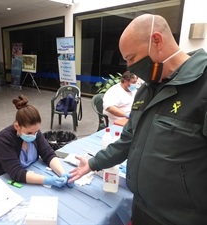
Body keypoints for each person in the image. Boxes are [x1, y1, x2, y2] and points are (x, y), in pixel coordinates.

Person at [69, 14, 207, 225]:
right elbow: (128, 140)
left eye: (132, 58)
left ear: (157, 41)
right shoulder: (145, 91)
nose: (130, 67)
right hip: (141, 208)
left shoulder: (202, 87)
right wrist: (94, 163)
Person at [0, 95, 73, 188]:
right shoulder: (4, 139)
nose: (34, 136)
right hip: (4, 182)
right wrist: (47, 180)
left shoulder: (34, 132)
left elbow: (48, 154)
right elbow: (16, 172)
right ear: (17, 126)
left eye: (36, 131)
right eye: (29, 133)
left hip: (29, 175)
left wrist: (62, 173)